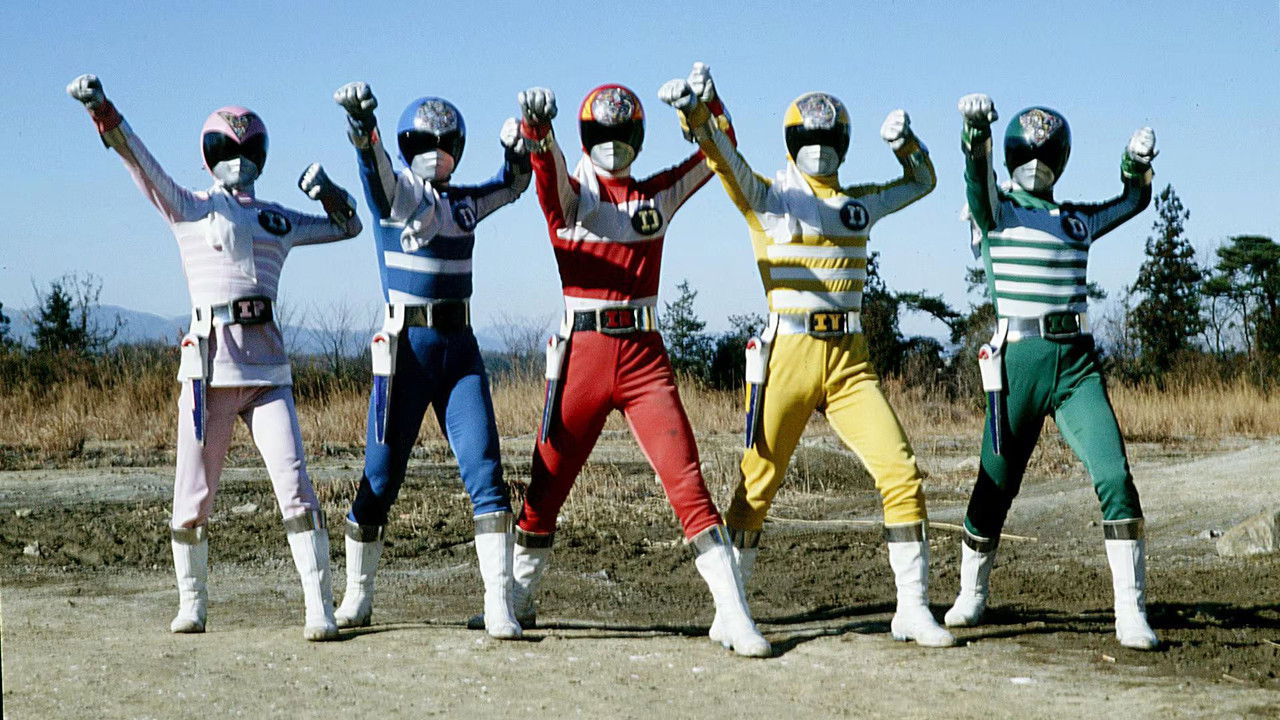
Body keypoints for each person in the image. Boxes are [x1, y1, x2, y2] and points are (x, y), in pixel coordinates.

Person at [67, 73, 363, 641]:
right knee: (193, 493)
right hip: (210, 370)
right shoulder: (189, 207)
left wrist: (327, 190)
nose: (238, 159)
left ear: (262, 155)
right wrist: (101, 109)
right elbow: (140, 163)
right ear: (207, 154)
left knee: (295, 486)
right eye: (225, 148)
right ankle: (193, 603)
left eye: (248, 149)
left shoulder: (277, 218)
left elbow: (348, 225)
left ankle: (318, 607)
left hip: (268, 371)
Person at [662, 75, 954, 647]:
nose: (818, 147)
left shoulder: (857, 205)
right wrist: (695, 113)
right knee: (757, 484)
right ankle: (731, 612)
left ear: (843, 143)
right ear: (791, 141)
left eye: (828, 137)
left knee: (900, 471)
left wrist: (907, 144)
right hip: (788, 353)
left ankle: (913, 609)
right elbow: (722, 157)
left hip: (850, 360)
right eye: (807, 137)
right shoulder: (769, 198)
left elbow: (922, 181)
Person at [508, 63, 770, 657]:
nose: (613, 144)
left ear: (639, 137)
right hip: (582, 353)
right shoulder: (573, 197)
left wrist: (706, 105)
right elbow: (547, 174)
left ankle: (733, 614)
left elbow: (718, 154)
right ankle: (516, 602)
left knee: (687, 481)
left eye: (623, 133)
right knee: (546, 485)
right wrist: (536, 128)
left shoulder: (655, 195)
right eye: (602, 134)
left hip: (644, 357)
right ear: (584, 138)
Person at [947, 93, 1159, 650]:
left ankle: (1130, 610)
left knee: (1114, 474)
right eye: (1025, 152)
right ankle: (971, 591)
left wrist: (1135, 164)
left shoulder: (1075, 221)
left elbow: (1133, 201)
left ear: (1060, 160)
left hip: (1077, 365)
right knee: (995, 482)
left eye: (1045, 154)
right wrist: (975, 132)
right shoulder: (996, 210)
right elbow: (975, 176)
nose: (1035, 163)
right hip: (1017, 362)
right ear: (1011, 155)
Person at [330, 82, 530, 638]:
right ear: (404, 143)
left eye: (444, 142)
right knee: (380, 475)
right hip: (405, 351)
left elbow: (512, 185)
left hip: (459, 348)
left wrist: (519, 148)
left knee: (486, 470)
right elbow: (373, 170)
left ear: (457, 148)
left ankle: (499, 603)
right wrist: (362, 125)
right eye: (423, 141)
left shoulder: (464, 203)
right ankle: (357, 596)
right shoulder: (397, 195)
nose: (435, 151)